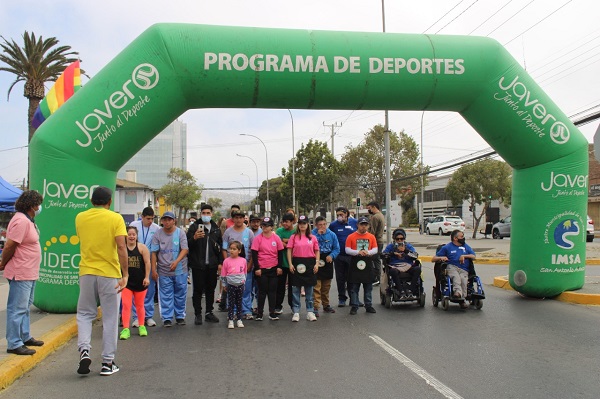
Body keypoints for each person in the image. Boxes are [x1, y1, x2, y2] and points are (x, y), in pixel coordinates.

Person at [75, 186, 128, 376]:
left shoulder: (80, 217)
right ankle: (107, 363)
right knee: (110, 317)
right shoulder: (115, 218)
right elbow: (121, 247)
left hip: (87, 272)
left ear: (91, 201)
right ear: (110, 202)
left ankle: (84, 350)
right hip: (109, 273)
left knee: (84, 314)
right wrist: (125, 274)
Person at [1, 190, 44, 356]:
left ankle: (25, 336)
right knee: (17, 308)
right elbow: (10, 245)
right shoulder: (21, 221)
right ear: (32, 206)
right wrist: (3, 263)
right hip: (21, 271)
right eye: (38, 204)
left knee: (25, 307)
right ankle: (14, 342)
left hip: (29, 271)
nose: (39, 207)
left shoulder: (28, 220)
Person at [150, 211, 189, 327]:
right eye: (165, 220)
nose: (167, 222)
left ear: (174, 220)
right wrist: (153, 270)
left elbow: (185, 249)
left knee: (180, 293)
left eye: (169, 220)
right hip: (163, 271)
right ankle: (167, 318)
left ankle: (180, 316)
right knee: (165, 295)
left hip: (180, 270)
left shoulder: (180, 233)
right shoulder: (158, 234)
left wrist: (176, 262)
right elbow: (154, 253)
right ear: (162, 221)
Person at [187, 204, 223, 325]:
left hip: (212, 265)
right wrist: (194, 238)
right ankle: (198, 314)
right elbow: (187, 245)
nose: (206, 215)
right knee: (197, 290)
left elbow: (220, 246)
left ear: (212, 214)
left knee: (210, 289)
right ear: (200, 214)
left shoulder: (216, 229)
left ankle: (209, 312)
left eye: (208, 213)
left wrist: (220, 263)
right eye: (204, 213)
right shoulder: (194, 227)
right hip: (198, 264)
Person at [129, 206, 160, 327]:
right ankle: (137, 317)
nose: (150, 221)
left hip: (150, 261)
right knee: (135, 289)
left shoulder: (156, 228)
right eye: (148, 218)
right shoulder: (134, 225)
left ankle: (148, 316)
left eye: (152, 218)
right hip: (136, 261)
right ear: (142, 217)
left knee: (149, 290)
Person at [222, 210, 255, 319]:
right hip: (231, 268)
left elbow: (254, 250)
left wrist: (250, 264)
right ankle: (234, 311)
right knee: (232, 290)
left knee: (246, 289)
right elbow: (224, 248)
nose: (238, 220)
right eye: (236, 217)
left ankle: (246, 310)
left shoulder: (249, 232)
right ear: (233, 219)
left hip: (244, 267)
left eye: (241, 217)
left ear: (244, 219)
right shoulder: (228, 232)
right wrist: (226, 262)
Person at [120, 226, 151, 340]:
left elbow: (148, 263)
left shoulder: (142, 248)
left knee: (139, 305)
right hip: (126, 283)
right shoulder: (122, 249)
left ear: (137, 236)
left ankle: (142, 326)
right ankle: (125, 329)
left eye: (134, 234)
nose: (131, 236)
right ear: (125, 236)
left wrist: (147, 277)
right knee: (126, 305)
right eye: (129, 234)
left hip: (140, 282)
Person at [432, 230, 476, 309]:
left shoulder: (466, 246)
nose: (463, 238)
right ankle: (458, 293)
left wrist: (464, 256)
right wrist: (441, 257)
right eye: (461, 237)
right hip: (452, 267)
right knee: (456, 277)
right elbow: (433, 259)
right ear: (455, 238)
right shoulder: (447, 247)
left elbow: (473, 256)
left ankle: (462, 298)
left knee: (463, 279)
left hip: (464, 269)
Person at [251, 217, 284, 320]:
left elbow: (280, 253)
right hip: (262, 268)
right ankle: (260, 313)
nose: (265, 227)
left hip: (273, 267)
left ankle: (272, 312)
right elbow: (254, 253)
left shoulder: (276, 238)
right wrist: (257, 268)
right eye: (263, 225)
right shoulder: (258, 238)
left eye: (267, 225)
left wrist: (279, 266)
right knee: (262, 291)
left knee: (272, 291)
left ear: (272, 227)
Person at [287, 215, 319, 322]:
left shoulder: (313, 237)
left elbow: (317, 251)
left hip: (310, 263)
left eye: (304, 223)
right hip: (297, 263)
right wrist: (290, 264)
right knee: (296, 289)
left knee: (309, 289)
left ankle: (310, 311)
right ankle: (296, 312)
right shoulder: (293, 237)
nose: (302, 225)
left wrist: (317, 263)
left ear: (307, 225)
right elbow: (289, 250)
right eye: (300, 223)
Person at [345, 217, 378, 315]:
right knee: (354, 286)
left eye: (365, 225)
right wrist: (358, 252)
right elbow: (347, 249)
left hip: (367, 262)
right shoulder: (351, 236)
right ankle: (355, 306)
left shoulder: (371, 237)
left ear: (368, 226)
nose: (363, 227)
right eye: (361, 224)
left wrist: (367, 252)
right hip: (355, 262)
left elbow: (375, 249)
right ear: (357, 225)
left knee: (368, 286)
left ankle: (368, 305)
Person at [328, 206, 357, 307]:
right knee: (340, 278)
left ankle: (353, 298)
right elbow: (329, 236)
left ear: (347, 214)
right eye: (338, 215)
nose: (340, 217)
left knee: (352, 278)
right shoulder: (333, 225)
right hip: (339, 255)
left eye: (341, 215)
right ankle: (341, 298)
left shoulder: (354, 223)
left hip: (351, 255)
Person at [311, 216, 340, 316]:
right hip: (316, 260)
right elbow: (308, 246)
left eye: (324, 224)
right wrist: (317, 236)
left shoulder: (332, 234)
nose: (322, 227)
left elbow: (337, 248)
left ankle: (326, 305)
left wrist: (332, 256)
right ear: (316, 225)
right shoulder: (311, 235)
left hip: (327, 260)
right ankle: (315, 307)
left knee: (326, 286)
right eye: (320, 225)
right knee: (316, 286)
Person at [382, 229, 421, 298]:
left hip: (408, 265)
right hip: (395, 266)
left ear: (404, 239)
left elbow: (415, 256)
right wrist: (393, 253)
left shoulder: (408, 246)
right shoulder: (391, 246)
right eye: (397, 239)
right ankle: (400, 290)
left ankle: (411, 290)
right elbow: (383, 255)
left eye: (401, 239)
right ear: (394, 239)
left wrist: (405, 251)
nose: (399, 240)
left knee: (417, 269)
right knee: (393, 271)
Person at [221, 241, 247, 329]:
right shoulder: (226, 261)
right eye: (230, 249)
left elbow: (245, 273)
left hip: (240, 284)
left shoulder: (243, 261)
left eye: (234, 249)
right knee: (231, 303)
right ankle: (231, 319)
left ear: (239, 251)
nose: (232, 251)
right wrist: (224, 284)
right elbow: (223, 274)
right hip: (231, 284)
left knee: (239, 302)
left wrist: (244, 282)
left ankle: (239, 319)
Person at [274, 212, 295, 313]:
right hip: (281, 263)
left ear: (292, 222)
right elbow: (278, 243)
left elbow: (297, 243)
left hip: (292, 263)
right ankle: (278, 306)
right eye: (283, 222)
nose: (285, 224)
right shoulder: (279, 230)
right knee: (280, 286)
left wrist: (285, 241)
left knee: (293, 286)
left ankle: (293, 306)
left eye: (287, 222)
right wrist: (288, 243)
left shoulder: (296, 231)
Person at [366, 201, 385, 286]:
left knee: (372, 260)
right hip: (379, 241)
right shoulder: (381, 215)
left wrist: (369, 242)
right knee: (376, 260)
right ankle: (377, 277)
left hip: (375, 241)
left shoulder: (375, 217)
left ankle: (375, 278)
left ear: (374, 207)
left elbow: (372, 232)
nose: (368, 210)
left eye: (369, 208)